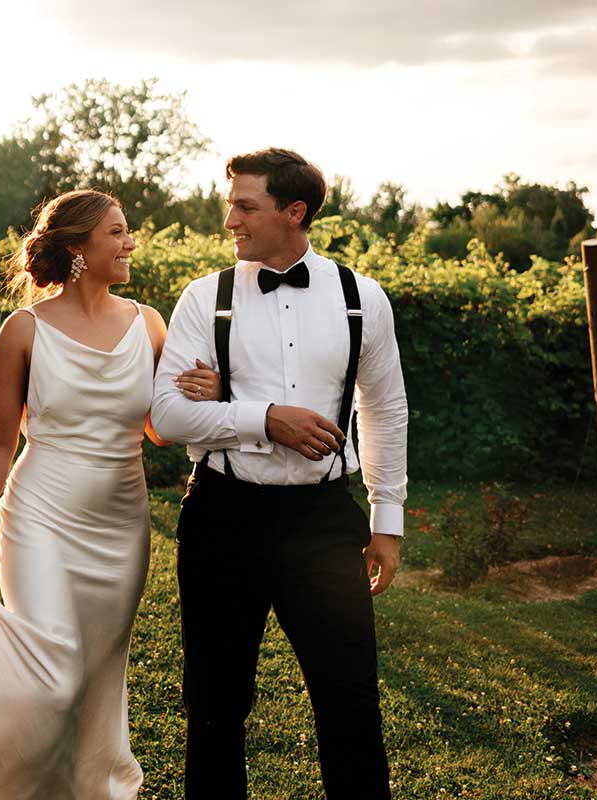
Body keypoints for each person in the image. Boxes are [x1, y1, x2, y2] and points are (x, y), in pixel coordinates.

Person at [0, 190, 222, 799]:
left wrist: (204, 391)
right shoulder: (23, 331)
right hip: (41, 515)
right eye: (117, 233)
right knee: (51, 675)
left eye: (129, 233)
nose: (130, 244)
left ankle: (84, 790)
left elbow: (156, 427)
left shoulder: (148, 323)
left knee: (99, 676)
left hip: (121, 521)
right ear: (77, 247)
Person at [151, 148, 408, 799]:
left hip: (323, 522)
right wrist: (263, 419)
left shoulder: (362, 300)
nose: (229, 218)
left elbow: (386, 409)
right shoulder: (202, 299)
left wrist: (388, 519)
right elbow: (169, 414)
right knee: (214, 705)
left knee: (350, 701)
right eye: (229, 203)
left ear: (294, 212)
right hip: (222, 517)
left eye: (245, 205)